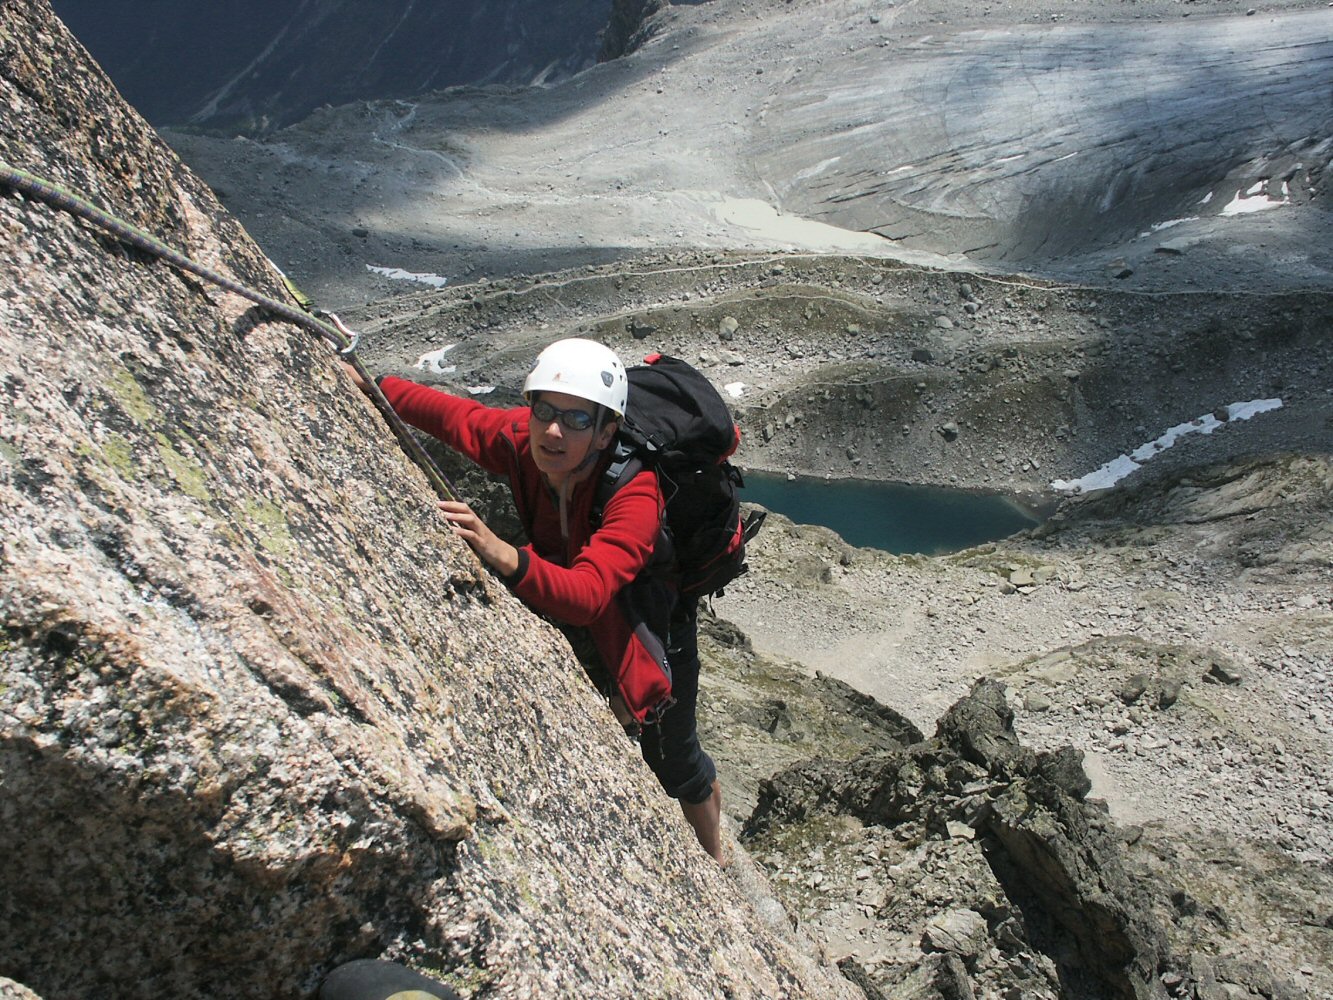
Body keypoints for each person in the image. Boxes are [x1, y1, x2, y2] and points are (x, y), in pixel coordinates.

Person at [345, 338, 724, 863]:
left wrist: (504, 554)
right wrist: (377, 387)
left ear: (606, 431)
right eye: (543, 410)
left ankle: (717, 862)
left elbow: (591, 596)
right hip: (568, 589)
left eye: (575, 419)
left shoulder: (635, 495)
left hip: (649, 615)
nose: (552, 430)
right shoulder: (523, 444)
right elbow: (460, 419)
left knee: (675, 757)